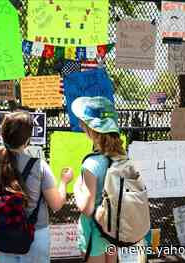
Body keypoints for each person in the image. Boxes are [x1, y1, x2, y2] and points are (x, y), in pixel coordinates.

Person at [0, 111, 73, 263]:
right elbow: (56, 204)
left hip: (3, 237)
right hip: (35, 236)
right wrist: (64, 181)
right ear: (27, 139)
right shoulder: (39, 166)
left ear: (3, 135)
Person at [71, 96, 126, 263]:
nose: (81, 125)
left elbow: (87, 208)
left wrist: (76, 187)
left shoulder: (91, 164)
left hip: (94, 231)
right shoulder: (122, 157)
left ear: (91, 130)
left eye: (83, 124)